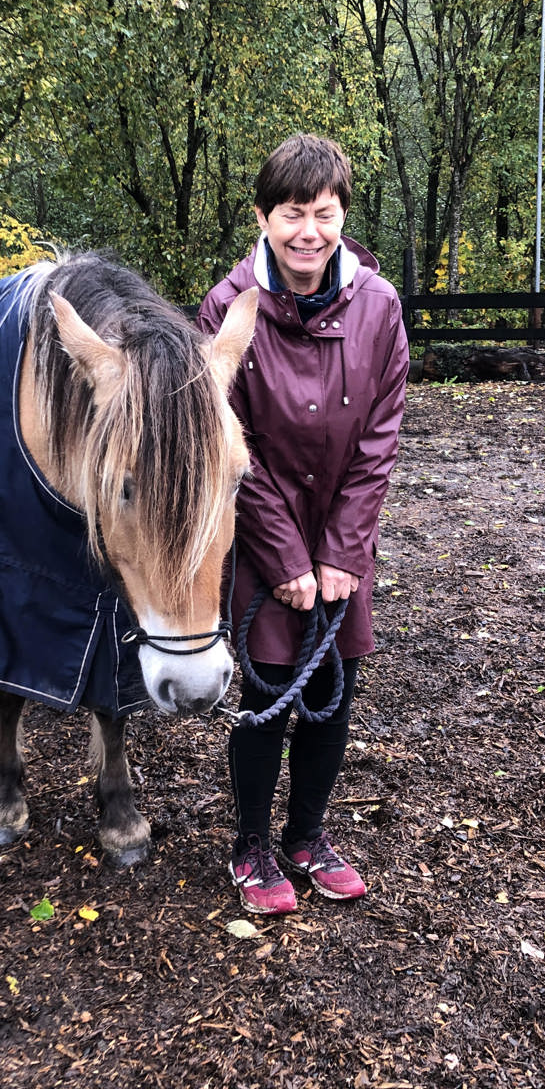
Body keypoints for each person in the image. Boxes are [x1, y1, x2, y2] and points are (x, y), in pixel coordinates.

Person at [197, 133, 409, 915]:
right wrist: (285, 558)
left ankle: (307, 834)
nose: (308, 232)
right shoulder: (226, 310)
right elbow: (225, 443)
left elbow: (380, 438)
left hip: (343, 546)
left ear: (342, 215)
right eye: (292, 214)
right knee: (267, 698)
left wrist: (345, 550)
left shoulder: (380, 309)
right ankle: (251, 843)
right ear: (264, 216)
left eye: (324, 213)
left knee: (334, 691)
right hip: (264, 538)